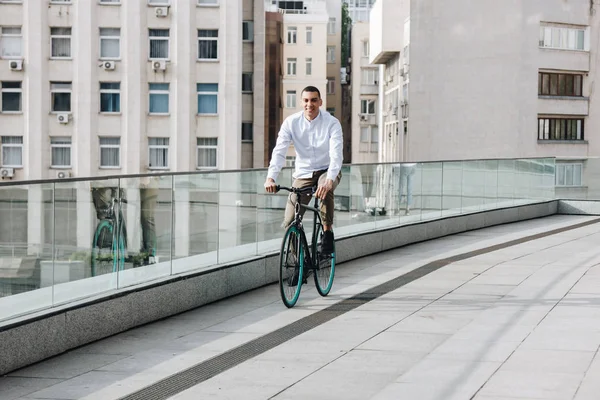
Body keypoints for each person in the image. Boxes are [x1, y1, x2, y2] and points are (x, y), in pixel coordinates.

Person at [264, 86, 343, 255]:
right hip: (304, 174)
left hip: (327, 170)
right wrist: (271, 177)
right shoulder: (291, 122)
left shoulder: (332, 123)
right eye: (306, 100)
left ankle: (327, 231)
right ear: (301, 102)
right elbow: (279, 151)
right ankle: (299, 262)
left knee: (325, 187)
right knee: (290, 220)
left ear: (320, 102)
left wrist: (329, 179)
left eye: (314, 100)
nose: (310, 104)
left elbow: (336, 155)